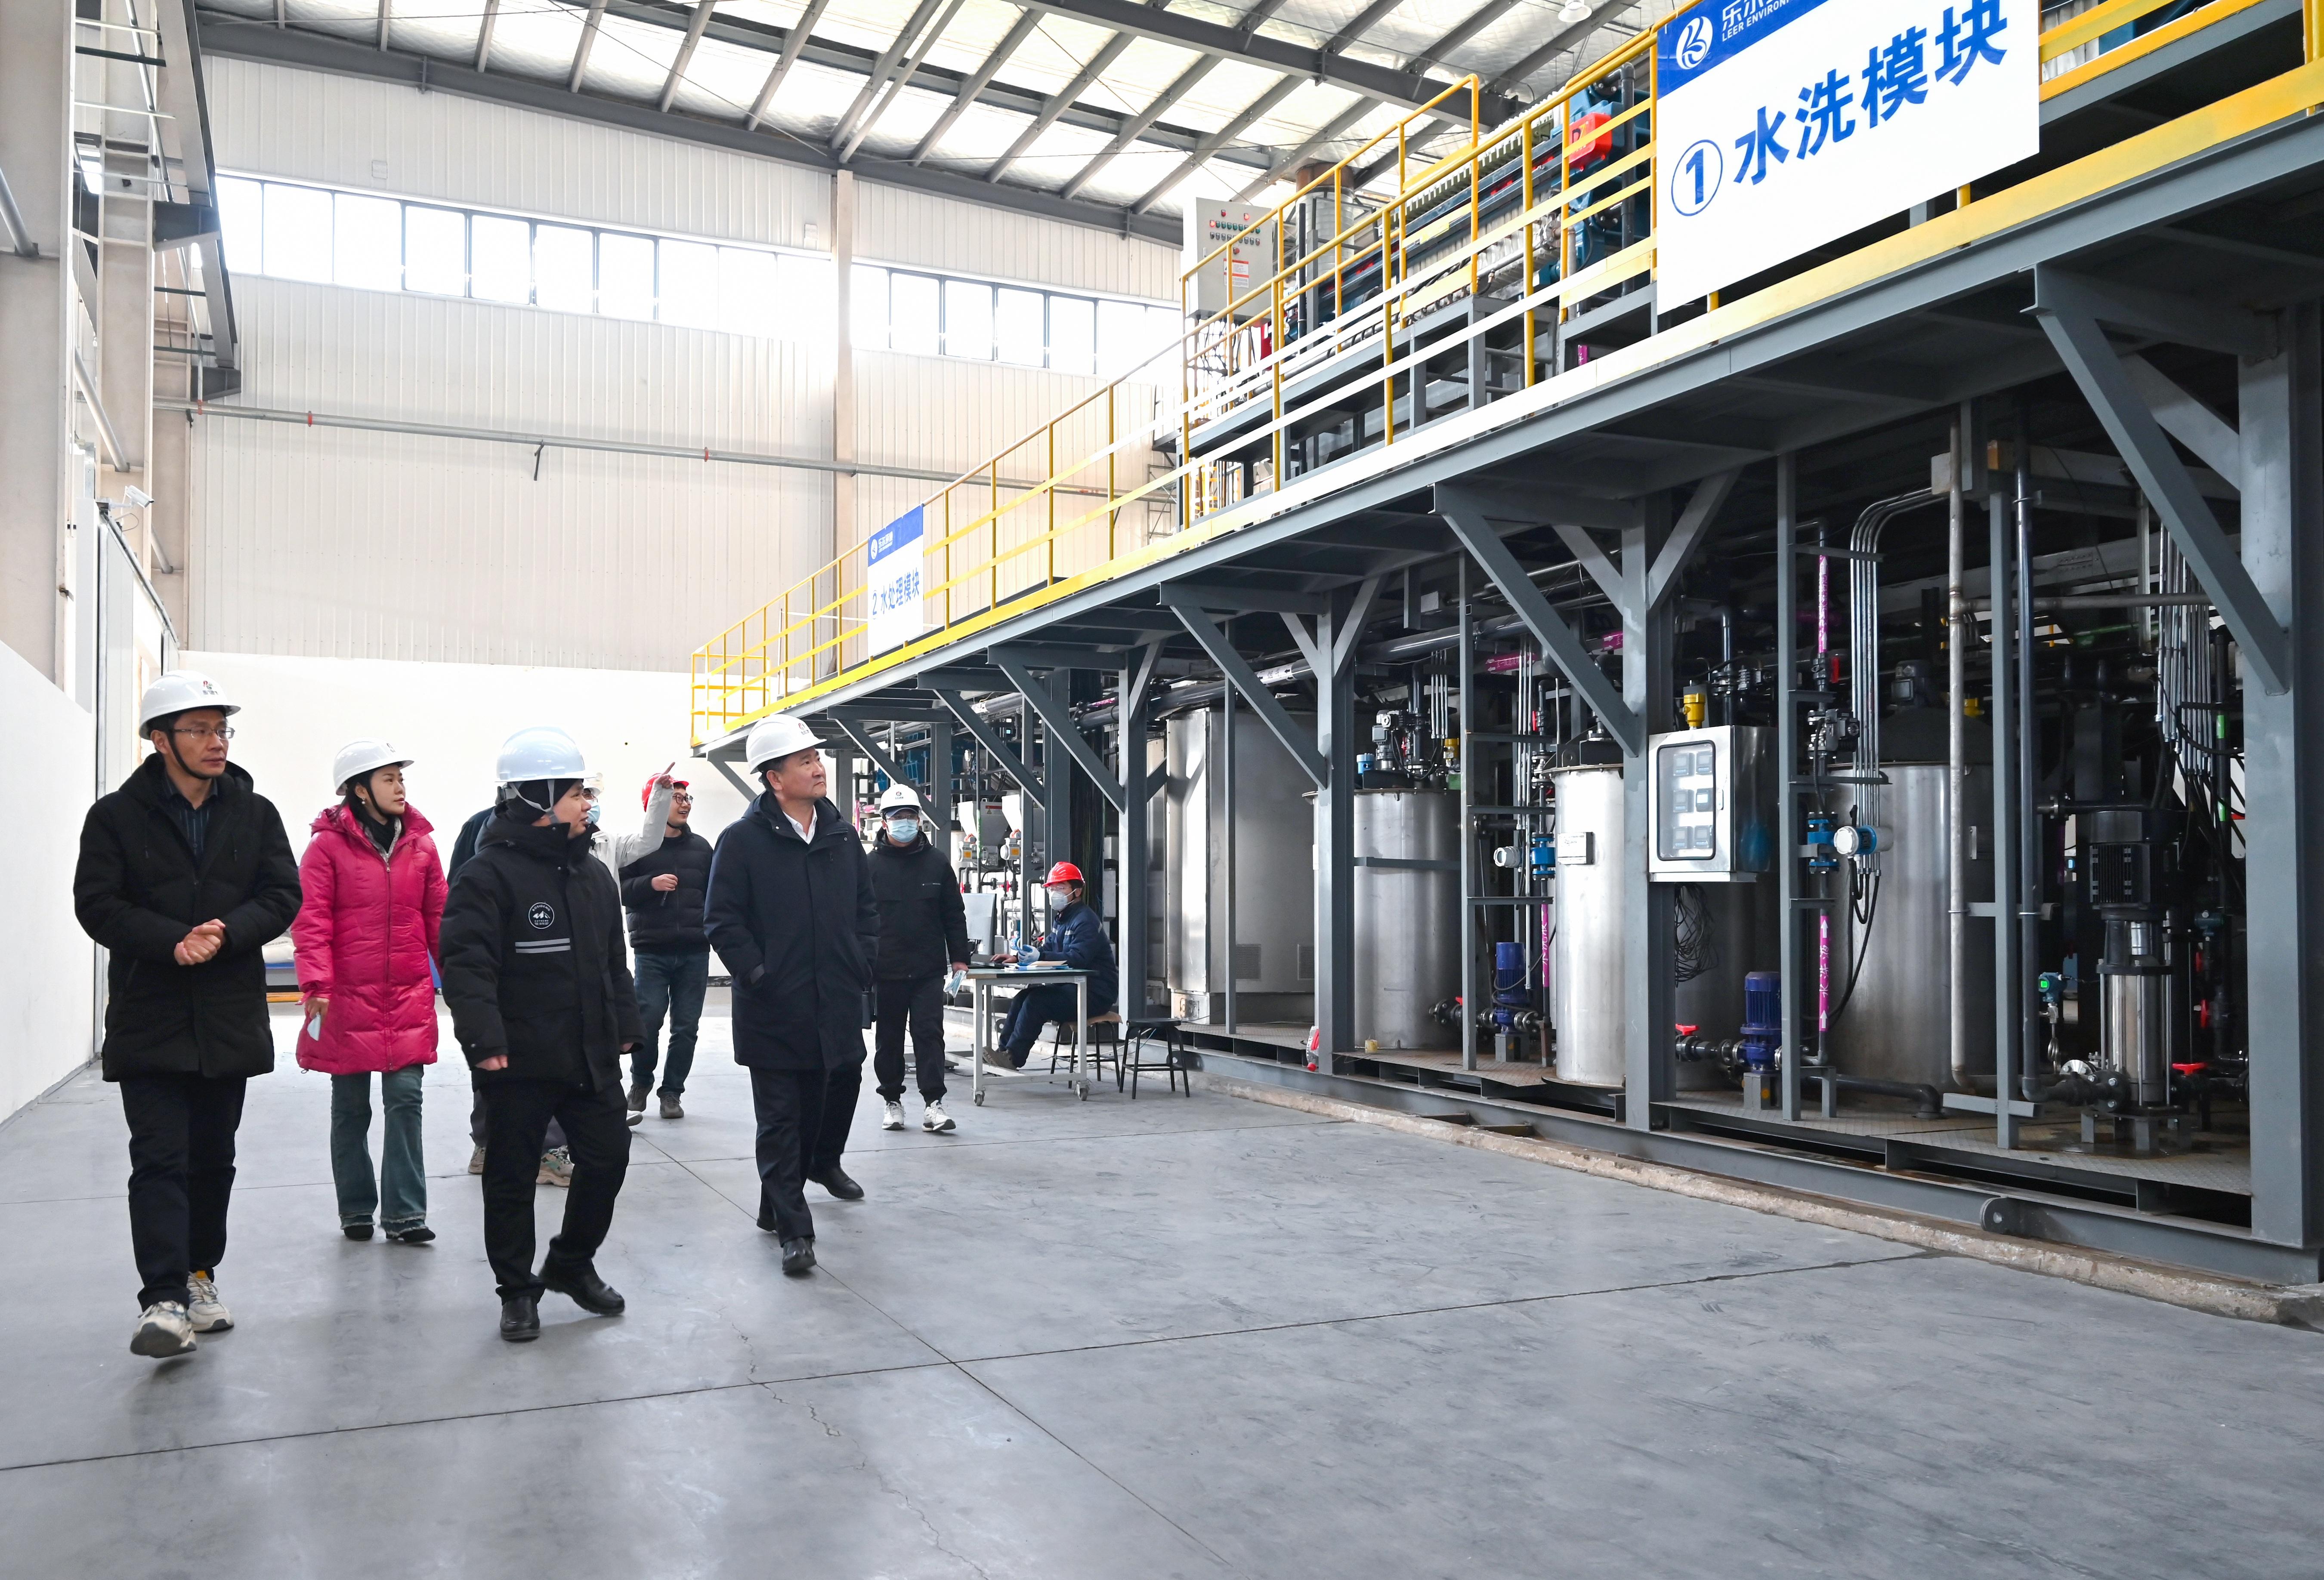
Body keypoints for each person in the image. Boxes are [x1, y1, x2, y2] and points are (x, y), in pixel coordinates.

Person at [73, 670, 302, 1359]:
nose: (216, 741)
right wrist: (171, 941)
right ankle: (165, 1299)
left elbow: (282, 894)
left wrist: (227, 932)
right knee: (159, 1158)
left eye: (221, 729)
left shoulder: (255, 814)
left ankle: (201, 1273)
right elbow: (97, 903)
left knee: (213, 1159)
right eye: (199, 730)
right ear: (160, 739)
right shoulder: (115, 817)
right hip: (150, 1014)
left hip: (227, 1016)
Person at [440, 726, 643, 1342]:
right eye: (578, 793)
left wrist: (626, 1027)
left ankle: (571, 1264)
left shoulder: (594, 877)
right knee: (510, 1178)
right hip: (519, 1061)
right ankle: (517, 1291)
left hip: (590, 1055)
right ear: (539, 797)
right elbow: (467, 968)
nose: (588, 804)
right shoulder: (486, 876)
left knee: (608, 1159)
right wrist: (485, 1043)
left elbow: (614, 962)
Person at [703, 714, 878, 1277]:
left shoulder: (841, 837)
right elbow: (722, 920)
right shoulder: (742, 841)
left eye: (817, 757)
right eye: (805, 761)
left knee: (821, 1105)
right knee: (781, 1118)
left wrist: (862, 961)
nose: (818, 767)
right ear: (774, 778)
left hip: (834, 1000)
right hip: (774, 1007)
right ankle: (795, 1232)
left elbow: (866, 910)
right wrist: (759, 975)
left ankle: (780, 1197)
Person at [291, 741, 448, 1244]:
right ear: (360, 790)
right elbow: (311, 921)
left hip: (407, 996)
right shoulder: (325, 849)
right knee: (351, 1107)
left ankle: (406, 1214)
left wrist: (461, 980)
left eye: (401, 778)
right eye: (389, 779)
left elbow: (440, 919)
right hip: (345, 998)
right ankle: (356, 1209)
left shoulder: (422, 847)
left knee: (406, 1099)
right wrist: (316, 983)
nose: (401, 787)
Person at [451, 798, 579, 1172]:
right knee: (494, 1063)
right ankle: (485, 1144)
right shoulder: (478, 828)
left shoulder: (571, 841)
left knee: (549, 1065)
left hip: (549, 970)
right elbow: (458, 890)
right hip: (501, 971)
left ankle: (549, 1150)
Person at [609, 770, 712, 1123]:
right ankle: (640, 1083)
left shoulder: (702, 849)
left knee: (686, 1027)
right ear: (653, 804)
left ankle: (672, 1093)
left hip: (695, 951)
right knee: (647, 1020)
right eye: (675, 798)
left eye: (686, 798)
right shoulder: (637, 848)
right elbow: (618, 891)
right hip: (652, 950)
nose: (684, 804)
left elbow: (718, 893)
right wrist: (649, 884)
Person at [866, 784, 967, 1134]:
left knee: (929, 1035)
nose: (904, 822)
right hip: (886, 970)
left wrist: (960, 959)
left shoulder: (937, 863)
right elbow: (857, 919)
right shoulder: (870, 867)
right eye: (898, 817)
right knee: (889, 1039)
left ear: (920, 820)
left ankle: (933, 1104)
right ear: (884, 822)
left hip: (927, 970)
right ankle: (892, 1102)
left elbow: (954, 914)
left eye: (910, 816)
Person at [995, 861, 1117, 1070]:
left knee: (1036, 1002)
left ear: (1077, 891)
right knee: (1023, 997)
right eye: (1052, 889)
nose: (1055, 893)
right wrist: (1019, 958)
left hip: (1095, 993)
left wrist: (1040, 957)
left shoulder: (1085, 920)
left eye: (1061, 888)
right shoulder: (1062, 919)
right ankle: (1002, 1053)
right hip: (1072, 989)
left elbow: (1078, 958)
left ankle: (1013, 1058)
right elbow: (1049, 947)